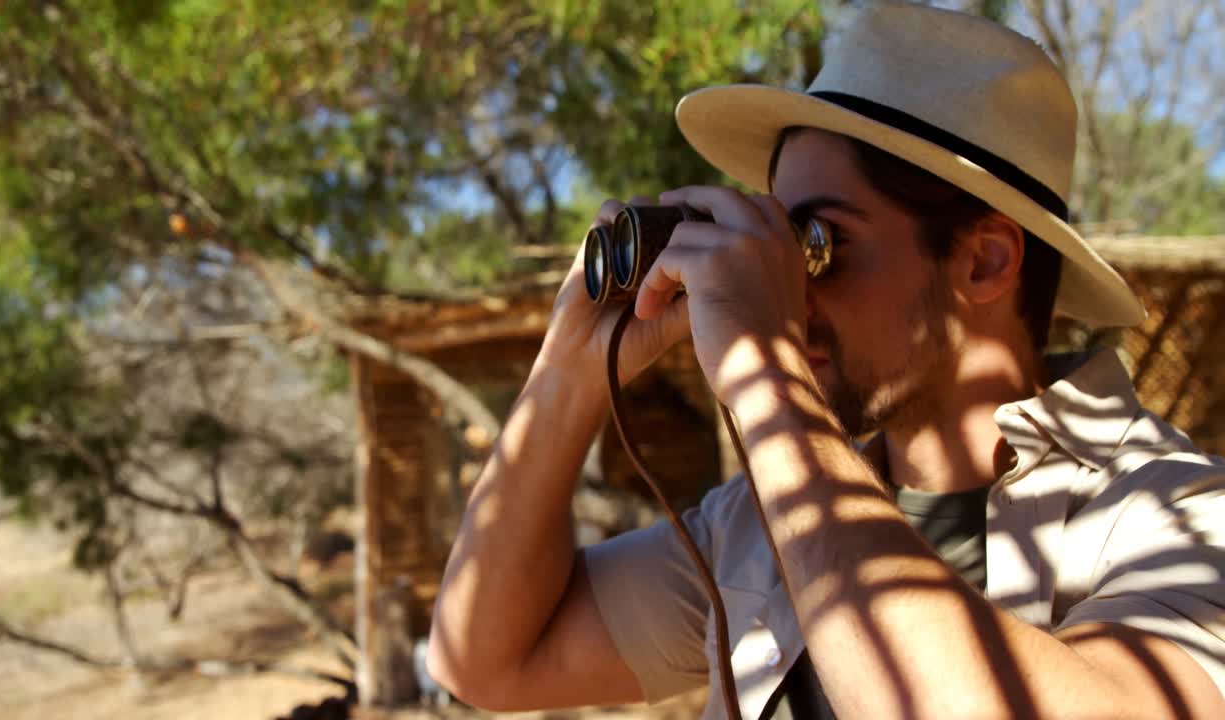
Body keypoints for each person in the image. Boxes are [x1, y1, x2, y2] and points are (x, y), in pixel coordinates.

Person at [426, 3, 1225, 718]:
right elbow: (488, 664)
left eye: (817, 246)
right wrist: (569, 372)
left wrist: (763, 373)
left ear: (983, 262)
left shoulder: (1175, 512)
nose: (785, 293)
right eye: (772, 238)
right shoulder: (757, 522)